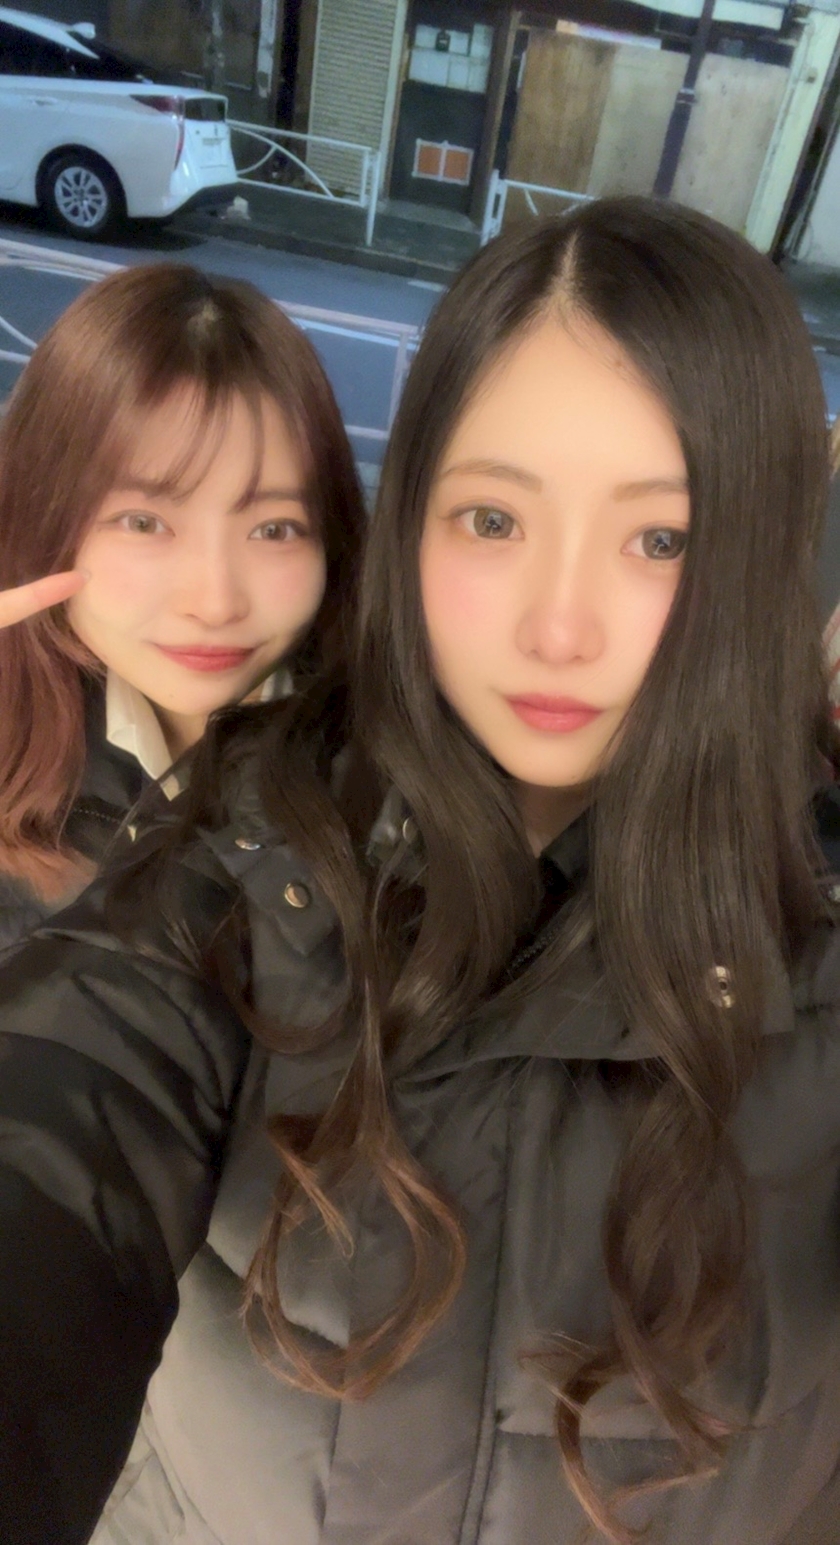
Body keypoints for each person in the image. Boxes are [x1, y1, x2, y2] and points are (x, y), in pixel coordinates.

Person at [0, 196, 838, 1545]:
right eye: (493, 520)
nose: (558, 627)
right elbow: (61, 1128)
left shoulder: (817, 927)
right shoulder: (238, 856)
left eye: (661, 539)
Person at [0, 262, 363, 949]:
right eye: (144, 523)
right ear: (40, 518)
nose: (215, 602)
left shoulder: (405, 783)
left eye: (274, 529)